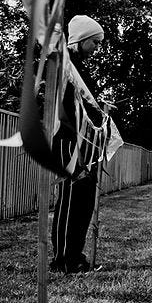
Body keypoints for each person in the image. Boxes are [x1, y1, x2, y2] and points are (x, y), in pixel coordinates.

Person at [50, 15, 106, 274]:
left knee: (83, 201)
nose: (97, 48)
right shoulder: (63, 65)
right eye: (94, 42)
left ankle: (75, 255)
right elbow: (63, 108)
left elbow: (84, 106)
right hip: (66, 140)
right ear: (81, 40)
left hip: (83, 142)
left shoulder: (80, 70)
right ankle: (62, 259)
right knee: (71, 200)